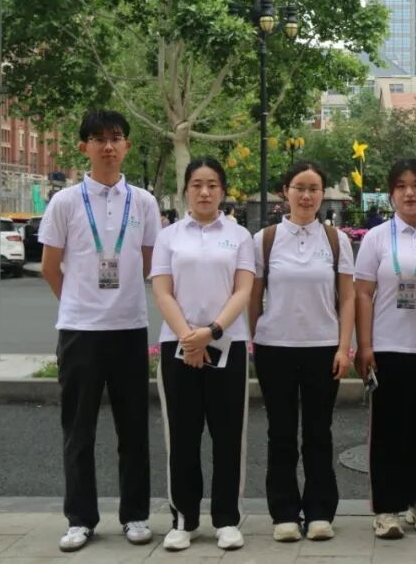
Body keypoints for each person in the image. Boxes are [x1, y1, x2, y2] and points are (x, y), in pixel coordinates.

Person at [39, 110, 161, 553]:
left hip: (129, 328)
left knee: (134, 430)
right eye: (98, 139)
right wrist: (79, 303)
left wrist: (118, 296)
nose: (108, 146)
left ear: (127, 145)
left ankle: (135, 515)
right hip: (80, 332)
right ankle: (80, 519)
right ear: (84, 147)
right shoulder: (65, 202)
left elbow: (150, 261)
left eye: (115, 138)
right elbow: (50, 267)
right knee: (78, 431)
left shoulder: (143, 202)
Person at [151, 158, 255, 552]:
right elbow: (162, 291)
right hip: (177, 345)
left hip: (227, 343)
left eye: (212, 184)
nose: (205, 192)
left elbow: (243, 290)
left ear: (223, 191)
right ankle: (184, 519)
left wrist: (210, 332)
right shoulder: (169, 236)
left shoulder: (239, 236)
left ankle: (227, 519)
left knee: (228, 436)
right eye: (197, 184)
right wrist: (188, 339)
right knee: (182, 436)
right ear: (186, 191)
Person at [249, 161, 356, 543]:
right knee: (280, 433)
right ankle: (284, 513)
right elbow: (254, 296)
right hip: (275, 348)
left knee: (318, 433)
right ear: (286, 192)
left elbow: (347, 297)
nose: (307, 196)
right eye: (299, 188)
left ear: (323, 194)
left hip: (322, 348)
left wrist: (344, 346)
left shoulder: (336, 240)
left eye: (314, 189)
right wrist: (254, 338)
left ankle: (320, 511)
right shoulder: (265, 239)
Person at [354, 159, 416, 539]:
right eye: (400, 186)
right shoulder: (377, 238)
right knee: (388, 432)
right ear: (391, 193)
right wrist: (365, 345)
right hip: (388, 347)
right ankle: (386, 509)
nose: (409, 193)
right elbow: (363, 293)